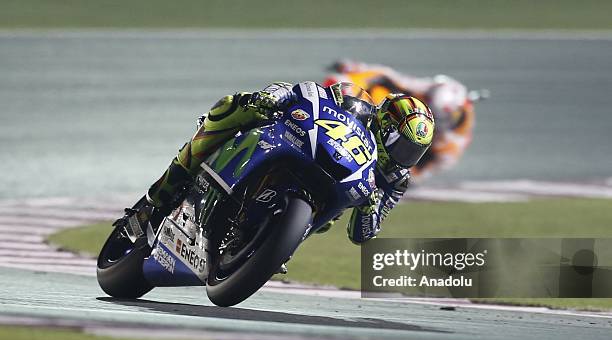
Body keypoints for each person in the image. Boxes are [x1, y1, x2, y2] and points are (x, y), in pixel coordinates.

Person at [123, 81, 435, 246]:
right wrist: (277, 94)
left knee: (325, 223)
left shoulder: (396, 180)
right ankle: (159, 197)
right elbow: (311, 92)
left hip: (326, 199)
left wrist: (370, 206)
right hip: (305, 145)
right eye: (402, 145)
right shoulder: (359, 105)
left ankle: (264, 242)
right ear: (385, 126)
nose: (404, 157)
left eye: (414, 152)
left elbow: (364, 234)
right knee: (235, 106)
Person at [324, 60, 475, 183]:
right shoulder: (442, 90)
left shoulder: (450, 147)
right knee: (342, 83)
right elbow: (391, 77)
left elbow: (416, 174)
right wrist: (357, 70)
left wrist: (389, 171)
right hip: (393, 113)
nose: (426, 99)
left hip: (387, 150)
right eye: (427, 99)